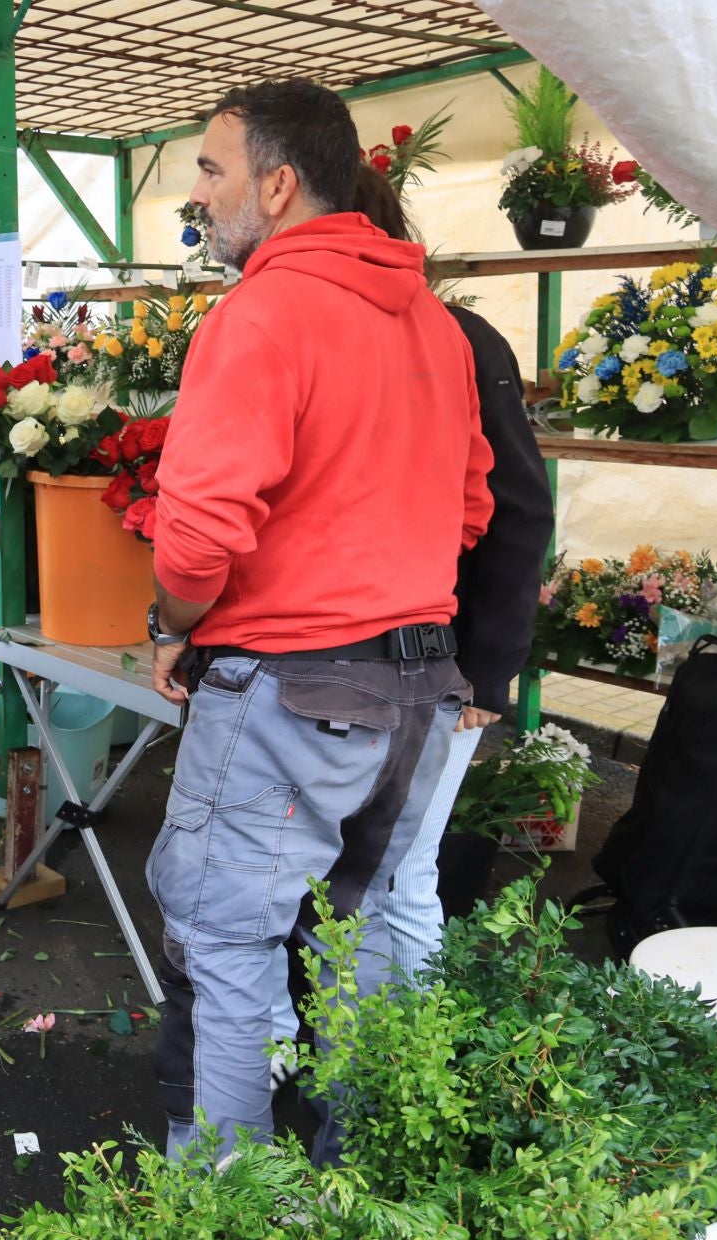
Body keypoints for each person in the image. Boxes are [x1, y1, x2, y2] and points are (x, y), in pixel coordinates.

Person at [143, 80, 493, 1163]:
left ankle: (227, 1187)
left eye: (210, 168)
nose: (198, 194)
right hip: (420, 691)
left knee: (223, 935)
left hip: (293, 686)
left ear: (279, 183)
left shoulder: (263, 311)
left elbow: (199, 534)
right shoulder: (436, 325)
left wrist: (172, 620)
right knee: (371, 933)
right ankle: (370, 1168)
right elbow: (472, 505)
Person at [264, 164, 555, 1059]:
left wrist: (489, 667)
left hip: (437, 662)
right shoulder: (329, 331)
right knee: (326, 875)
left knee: (396, 879)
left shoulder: (455, 338)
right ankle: (331, 1061)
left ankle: (392, 1076)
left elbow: (513, 509)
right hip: (341, 664)